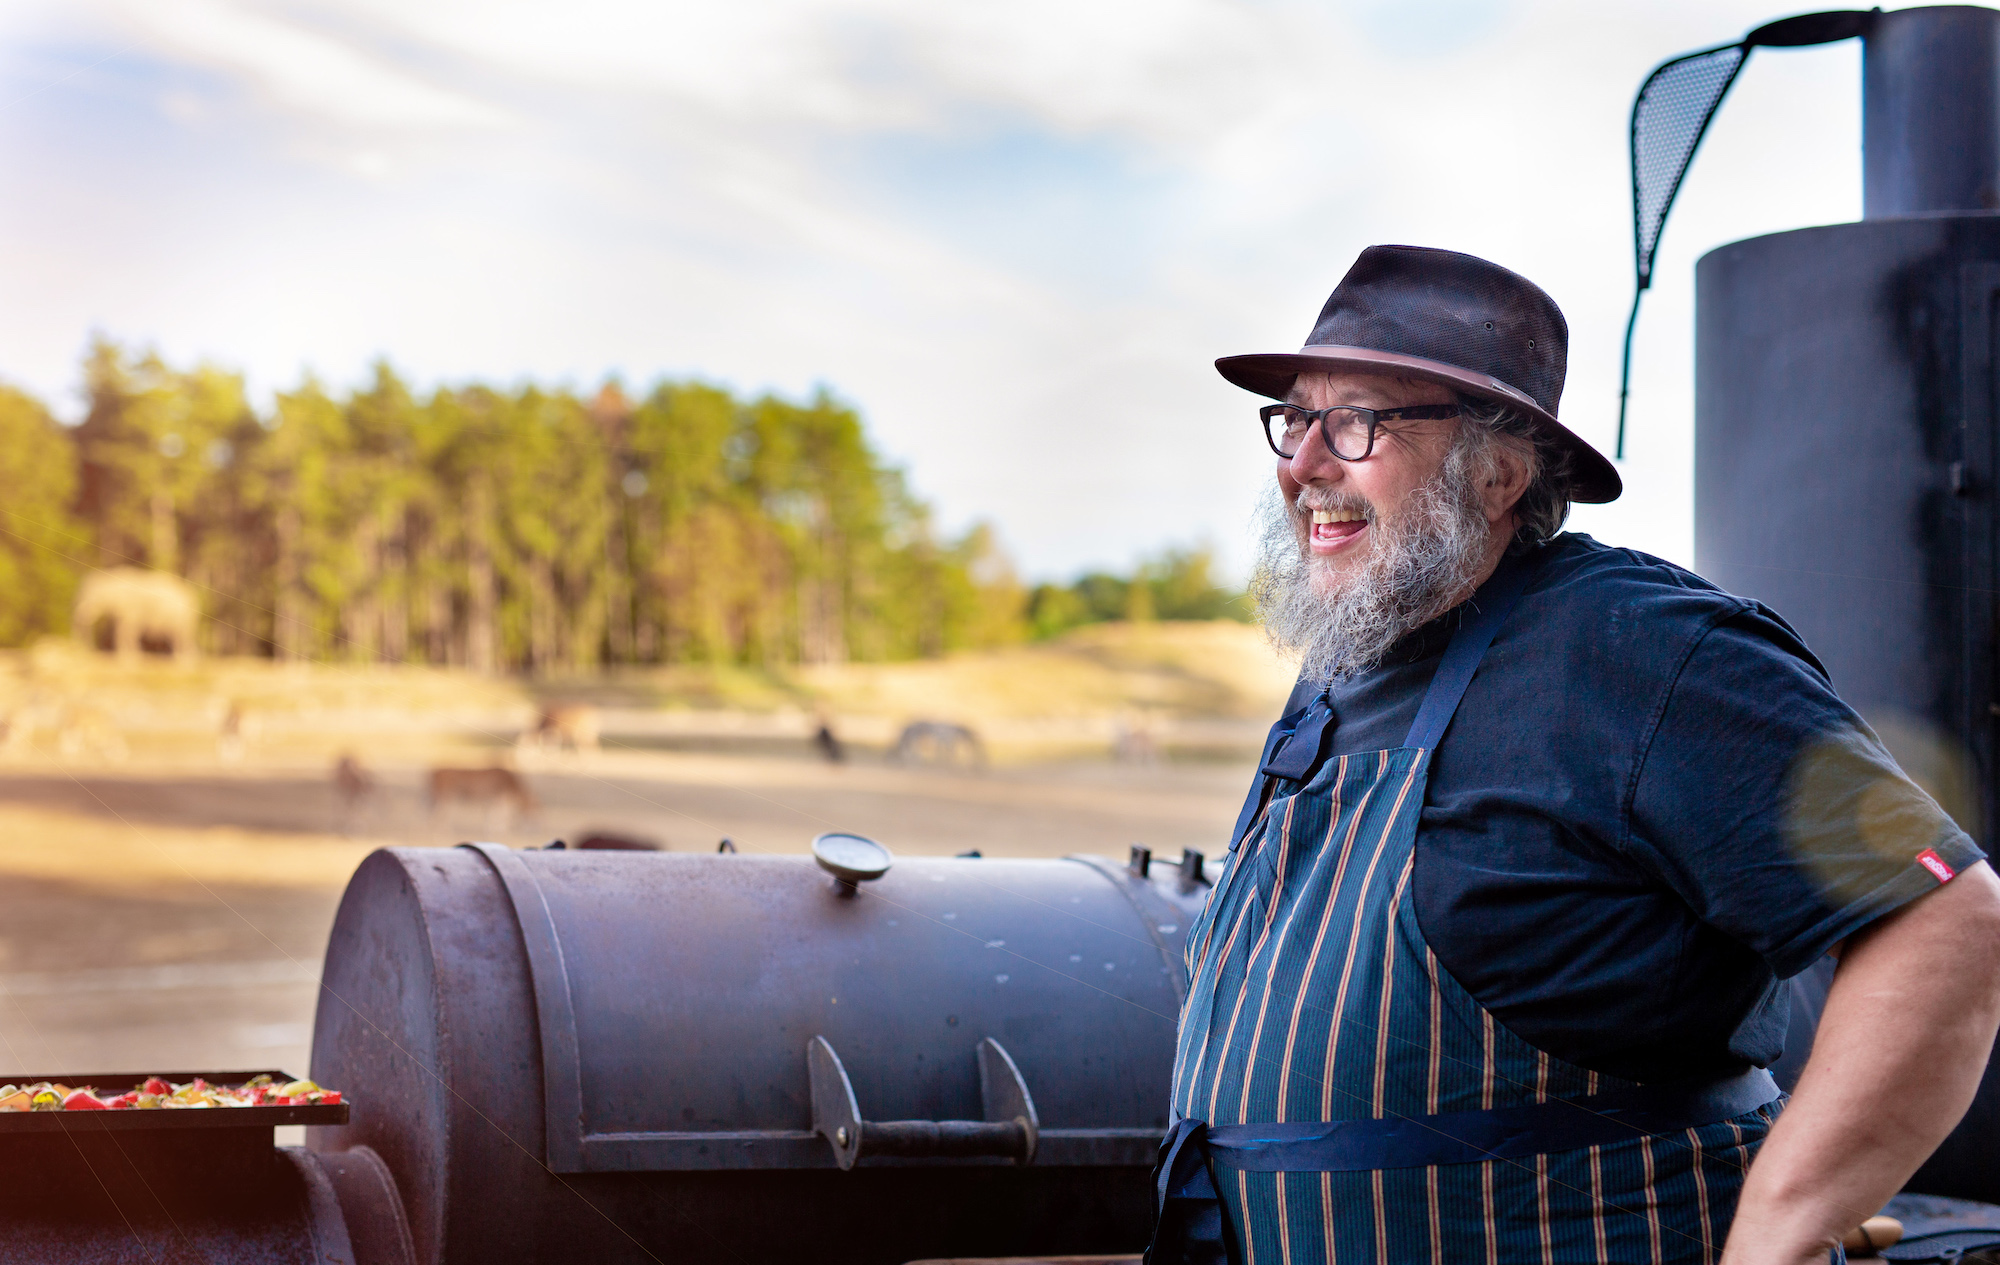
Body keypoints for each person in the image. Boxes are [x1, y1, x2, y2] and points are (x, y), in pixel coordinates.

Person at [1150, 245, 2000, 1265]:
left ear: (1500, 472)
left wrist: (1773, 1238)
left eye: (1357, 421)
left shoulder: (1642, 649)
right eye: (1293, 419)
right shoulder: (1345, 663)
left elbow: (1946, 921)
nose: (1302, 463)